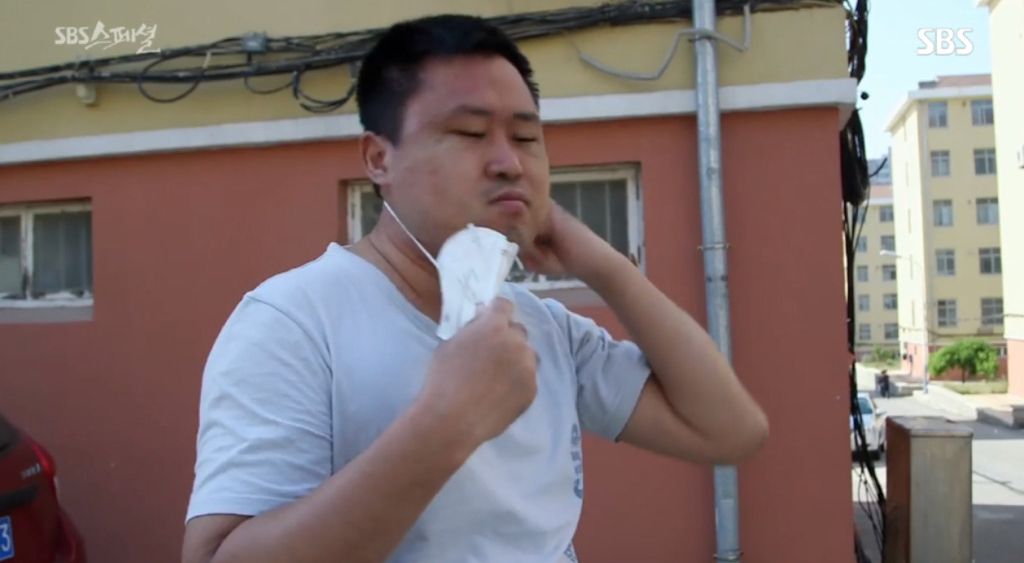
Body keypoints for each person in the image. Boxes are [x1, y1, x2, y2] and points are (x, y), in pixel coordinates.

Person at [181, 13, 769, 563]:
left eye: (527, 138)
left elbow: (730, 431)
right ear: (378, 158)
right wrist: (445, 424)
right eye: (469, 133)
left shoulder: (540, 324)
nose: (509, 163)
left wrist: (604, 266)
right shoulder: (294, 320)